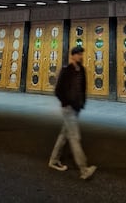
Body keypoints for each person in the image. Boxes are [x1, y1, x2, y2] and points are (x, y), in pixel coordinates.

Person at [48, 46, 97, 180]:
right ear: (72, 56)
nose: (81, 56)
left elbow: (82, 89)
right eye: (78, 54)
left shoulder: (82, 70)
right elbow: (58, 90)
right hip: (68, 109)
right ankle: (84, 169)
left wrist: (81, 104)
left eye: (81, 54)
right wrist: (66, 102)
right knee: (75, 138)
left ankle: (53, 160)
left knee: (64, 135)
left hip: (76, 108)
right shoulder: (66, 71)